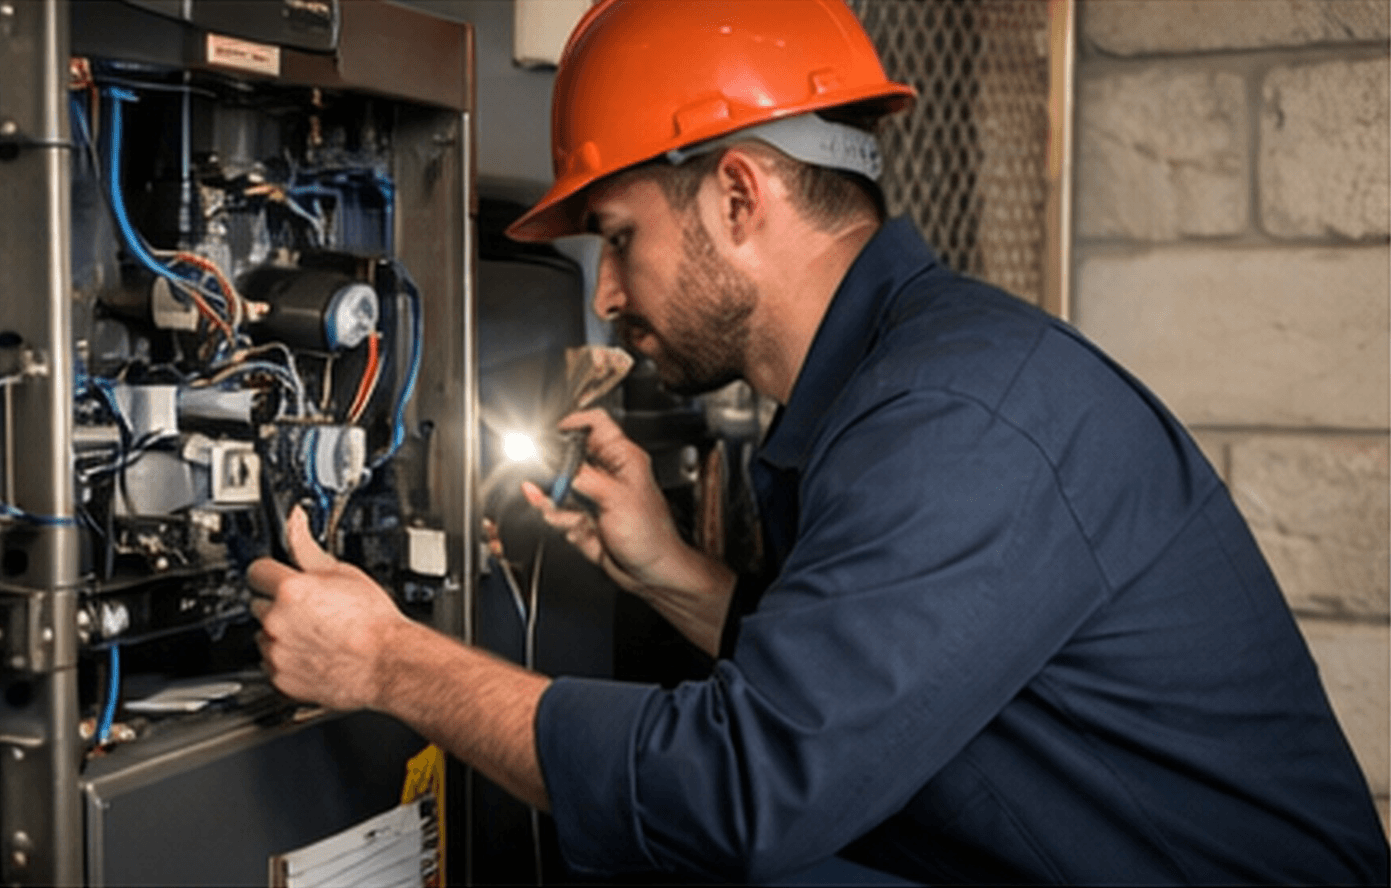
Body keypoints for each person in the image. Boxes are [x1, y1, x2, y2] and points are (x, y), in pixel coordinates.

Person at [250, 0, 1389, 883]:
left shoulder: (956, 419)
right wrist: (679, 578)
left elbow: (737, 790)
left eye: (616, 238)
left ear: (738, 198)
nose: (601, 297)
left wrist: (387, 660)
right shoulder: (903, 382)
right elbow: (873, 693)